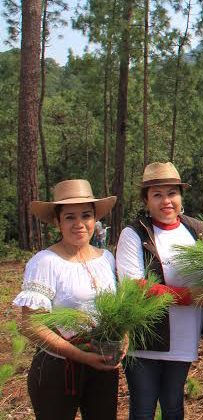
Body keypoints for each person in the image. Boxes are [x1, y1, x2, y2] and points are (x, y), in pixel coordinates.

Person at [116, 162, 203, 420]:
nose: (166, 201)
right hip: (146, 340)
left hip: (183, 336)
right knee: (143, 409)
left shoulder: (197, 231)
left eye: (172, 193)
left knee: (174, 405)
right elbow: (134, 287)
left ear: (180, 196)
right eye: (157, 195)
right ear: (146, 200)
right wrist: (191, 296)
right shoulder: (135, 234)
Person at [13, 179, 120, 419]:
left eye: (86, 215)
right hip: (58, 368)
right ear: (57, 222)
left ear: (95, 220)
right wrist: (81, 356)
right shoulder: (45, 262)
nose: (79, 224)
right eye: (70, 217)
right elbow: (31, 325)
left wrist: (120, 341)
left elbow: (119, 311)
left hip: (102, 364)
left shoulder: (107, 259)